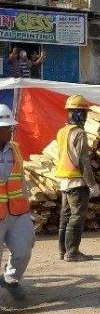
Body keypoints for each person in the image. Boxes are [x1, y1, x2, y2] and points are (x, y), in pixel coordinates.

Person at [56, 95, 100, 262]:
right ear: (81, 114)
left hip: (64, 181)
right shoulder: (79, 133)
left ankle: (63, 251)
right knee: (76, 217)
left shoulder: (62, 131)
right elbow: (83, 160)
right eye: (84, 113)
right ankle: (72, 252)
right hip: (77, 181)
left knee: (65, 216)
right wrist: (92, 184)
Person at [0, 104, 34, 301]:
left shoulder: (15, 150)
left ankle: (11, 279)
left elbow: (20, 180)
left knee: (23, 250)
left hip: (18, 212)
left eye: (10, 127)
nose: (9, 132)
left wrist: (27, 209)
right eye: (5, 128)